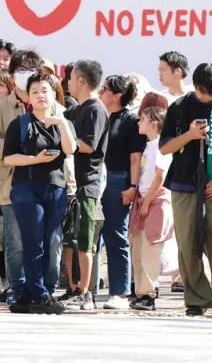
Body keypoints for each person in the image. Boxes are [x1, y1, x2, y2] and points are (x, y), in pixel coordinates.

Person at [160, 63, 212, 317]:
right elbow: (165, 147)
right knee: (187, 243)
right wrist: (189, 135)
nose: (206, 96)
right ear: (194, 85)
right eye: (202, 91)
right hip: (184, 183)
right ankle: (196, 298)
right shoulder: (179, 106)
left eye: (211, 92)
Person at [3, 72, 77, 314]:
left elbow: (70, 150)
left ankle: (32, 294)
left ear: (53, 93)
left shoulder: (63, 121)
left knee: (51, 242)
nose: (40, 95)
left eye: (44, 90)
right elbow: (8, 157)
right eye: (34, 91)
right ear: (29, 98)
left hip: (55, 188)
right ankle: (40, 295)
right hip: (26, 189)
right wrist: (35, 159)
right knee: (33, 242)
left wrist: (63, 124)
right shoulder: (20, 123)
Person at [62, 59, 110, 311]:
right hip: (70, 185)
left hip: (87, 185)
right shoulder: (76, 110)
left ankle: (85, 292)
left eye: (70, 77)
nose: (67, 82)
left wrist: (65, 138)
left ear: (81, 80)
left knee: (84, 239)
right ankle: (72, 288)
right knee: (70, 239)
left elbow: (88, 145)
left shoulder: (95, 110)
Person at [97, 75, 147, 309]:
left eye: (105, 89)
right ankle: (87, 289)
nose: (100, 92)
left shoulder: (130, 121)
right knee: (92, 236)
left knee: (116, 236)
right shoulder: (98, 115)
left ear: (117, 95)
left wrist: (133, 187)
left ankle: (120, 291)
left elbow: (135, 158)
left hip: (118, 180)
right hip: (94, 179)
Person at [129, 106, 174, 311]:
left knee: (150, 249)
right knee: (138, 248)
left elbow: (160, 176)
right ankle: (140, 292)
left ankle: (148, 294)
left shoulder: (161, 146)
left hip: (155, 202)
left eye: (143, 119)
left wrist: (146, 202)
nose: (139, 122)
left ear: (155, 124)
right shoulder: (149, 145)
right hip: (143, 201)